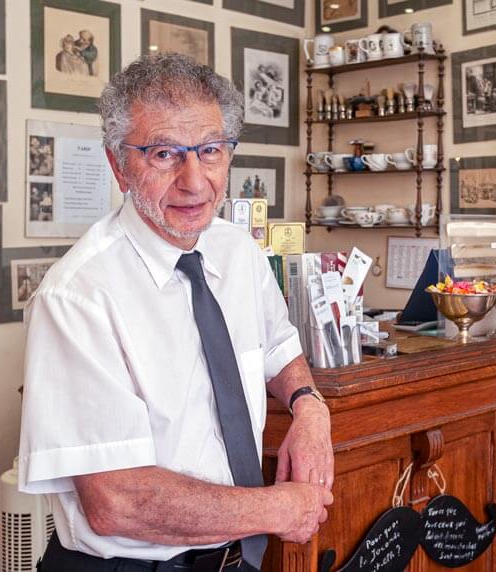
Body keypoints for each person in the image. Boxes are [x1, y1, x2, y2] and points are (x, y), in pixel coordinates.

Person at [19, 53, 333, 571]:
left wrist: (309, 408)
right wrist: (279, 508)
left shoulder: (240, 254)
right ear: (119, 164)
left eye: (210, 151)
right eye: (164, 154)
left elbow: (281, 354)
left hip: (235, 559)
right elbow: (116, 500)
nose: (194, 181)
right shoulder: (76, 297)